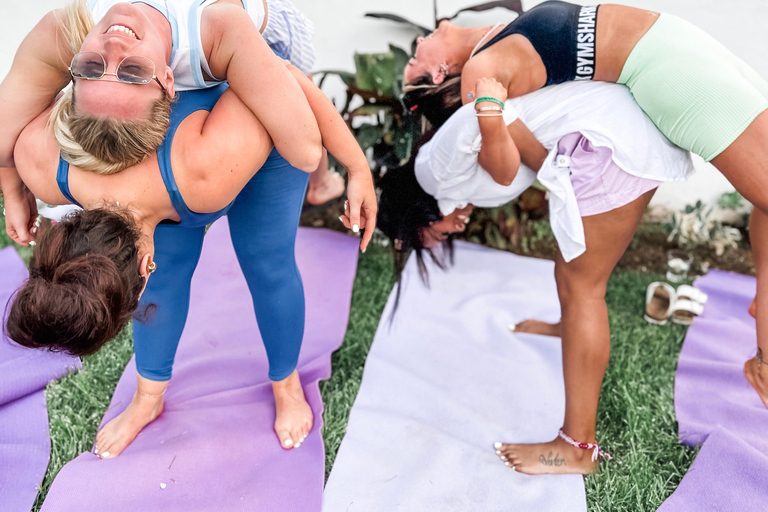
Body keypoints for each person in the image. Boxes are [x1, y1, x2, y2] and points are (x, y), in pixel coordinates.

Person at [400, 0, 768, 465]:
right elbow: (515, 159)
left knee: (581, 284)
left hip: (673, 53)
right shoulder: (482, 71)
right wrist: (494, 115)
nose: (415, 45)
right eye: (415, 61)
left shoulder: (494, 36)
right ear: (439, 73)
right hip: (670, 60)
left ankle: (579, 448)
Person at [3, 63, 373, 458]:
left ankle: (286, 383)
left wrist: (357, 166)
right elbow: (12, 110)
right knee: (166, 285)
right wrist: (12, 189)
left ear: (146, 261)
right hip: (187, 160)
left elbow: (283, 75)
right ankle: (149, 397)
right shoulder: (42, 165)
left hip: (264, 121)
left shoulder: (203, 173)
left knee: (268, 263)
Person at [379, 77, 696, 474]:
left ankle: (577, 449)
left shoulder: (434, 173)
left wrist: (527, 151)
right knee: (574, 275)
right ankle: (570, 328)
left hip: (608, 140)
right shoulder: (448, 184)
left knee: (583, 287)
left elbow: (484, 121)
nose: (455, 230)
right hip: (605, 134)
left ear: (415, 215)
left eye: (440, 233)